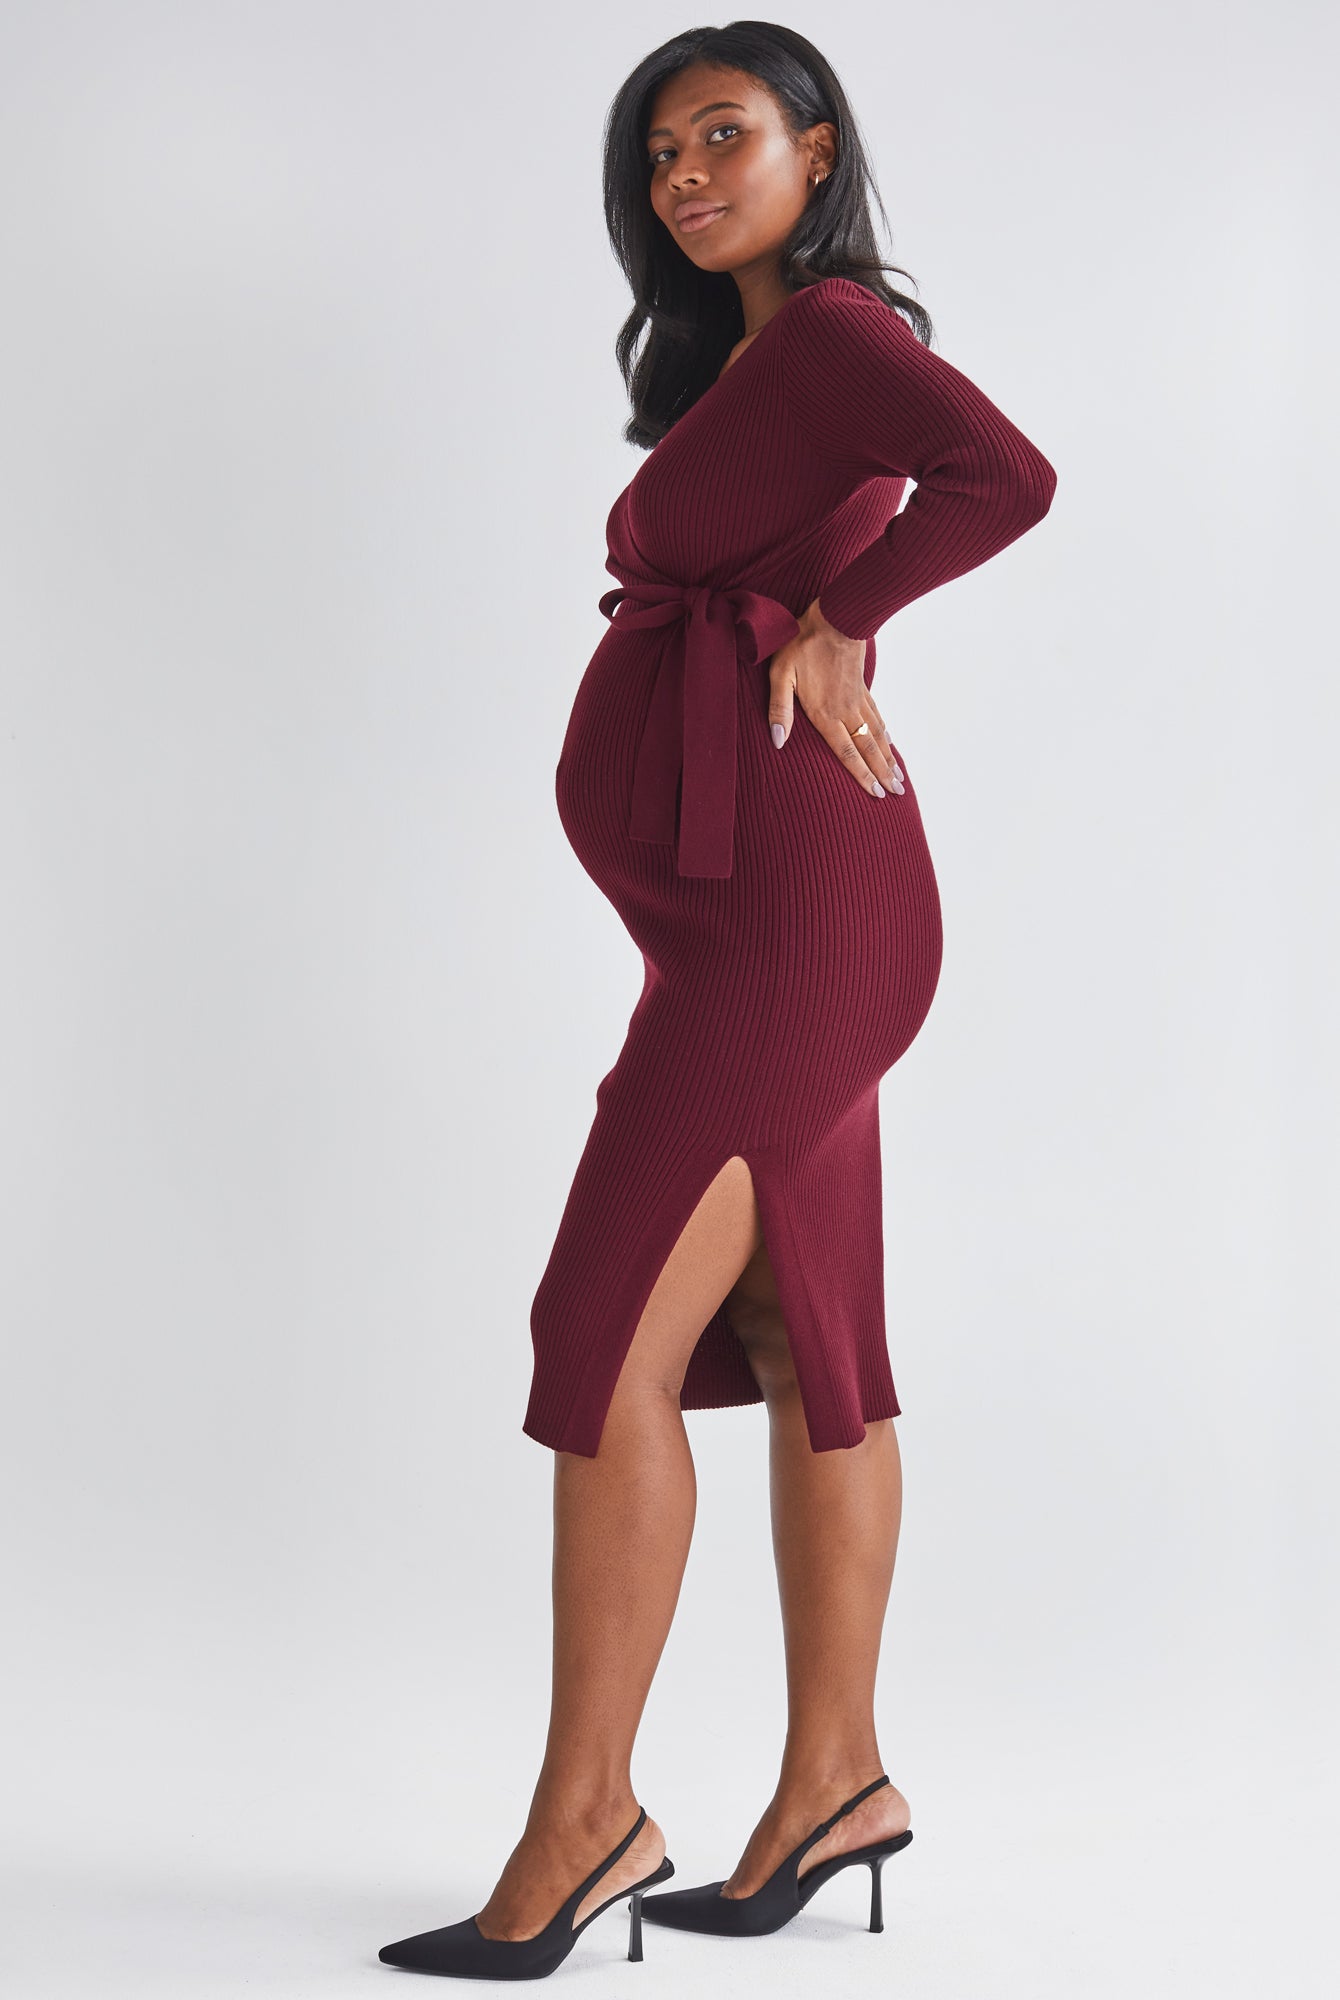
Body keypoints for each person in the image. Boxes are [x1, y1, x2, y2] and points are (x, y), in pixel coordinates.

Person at [379, 21, 1055, 1980]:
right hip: (756, 929)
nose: (683, 177)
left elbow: (1006, 476)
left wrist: (847, 621)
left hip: (793, 933)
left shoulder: (835, 335)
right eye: (658, 156)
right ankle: (836, 1781)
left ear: (817, 150)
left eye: (722, 136)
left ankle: (586, 1820)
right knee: (806, 1335)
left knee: (599, 1341)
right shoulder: (763, 363)